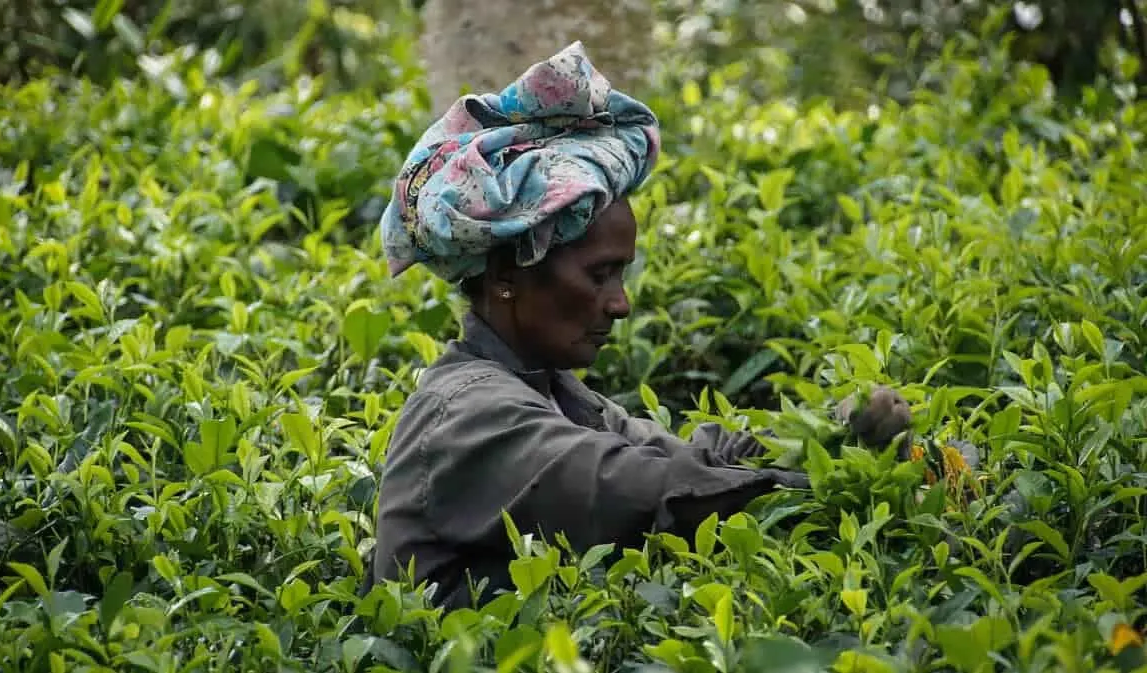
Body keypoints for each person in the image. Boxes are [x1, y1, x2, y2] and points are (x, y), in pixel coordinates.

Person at [368, 42, 912, 610]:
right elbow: (647, 489)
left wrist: (834, 431)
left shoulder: (551, 393)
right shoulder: (469, 415)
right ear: (507, 275)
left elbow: (694, 455)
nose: (620, 304)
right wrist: (841, 487)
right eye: (600, 275)